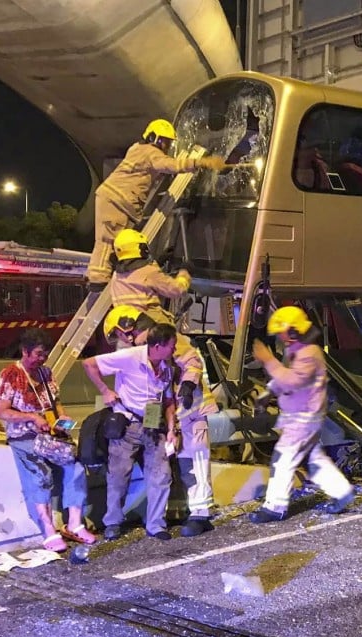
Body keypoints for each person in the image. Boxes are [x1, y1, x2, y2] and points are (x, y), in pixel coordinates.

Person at [103, 306, 218, 536]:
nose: (122, 341)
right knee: (176, 468)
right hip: (170, 413)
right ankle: (188, 512)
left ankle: (201, 513)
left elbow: (191, 361)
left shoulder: (163, 339)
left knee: (194, 462)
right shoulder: (143, 351)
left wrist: (188, 384)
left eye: (119, 336)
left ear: (126, 328)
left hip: (191, 410)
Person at [87, 119, 228, 286]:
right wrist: (200, 162)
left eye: (167, 143)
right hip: (116, 200)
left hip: (118, 201)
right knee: (108, 240)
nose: (165, 146)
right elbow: (170, 165)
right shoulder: (149, 151)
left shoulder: (139, 150)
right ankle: (98, 280)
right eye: (162, 141)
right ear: (151, 137)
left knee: (116, 241)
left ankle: (103, 276)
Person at [248, 306, 355, 523]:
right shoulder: (297, 350)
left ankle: (274, 507)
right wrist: (269, 392)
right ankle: (342, 492)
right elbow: (285, 380)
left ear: (294, 330)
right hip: (302, 417)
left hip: (303, 418)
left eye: (282, 332)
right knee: (313, 459)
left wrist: (268, 360)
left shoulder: (308, 354)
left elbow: (294, 380)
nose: (279, 336)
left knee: (283, 458)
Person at [0, 328, 96, 552]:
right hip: (24, 437)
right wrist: (31, 417)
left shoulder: (46, 373)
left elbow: (55, 403)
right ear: (25, 351)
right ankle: (48, 529)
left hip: (49, 435)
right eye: (39, 353)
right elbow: (2, 411)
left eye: (45, 354)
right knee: (41, 474)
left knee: (76, 466)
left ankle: (75, 524)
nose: (42, 358)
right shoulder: (10, 374)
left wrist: (63, 417)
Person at [82, 323, 180, 540]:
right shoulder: (130, 357)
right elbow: (89, 364)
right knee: (119, 477)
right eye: (171, 346)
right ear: (157, 346)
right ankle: (113, 522)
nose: (174, 350)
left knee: (161, 476)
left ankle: (156, 525)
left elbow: (169, 401)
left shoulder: (167, 367)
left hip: (155, 427)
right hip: (128, 425)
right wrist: (105, 390)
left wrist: (172, 429)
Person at [110, 228, 192, 326]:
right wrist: (184, 272)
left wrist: (158, 262)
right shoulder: (149, 272)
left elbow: (139, 278)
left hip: (128, 327)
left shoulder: (116, 275)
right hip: (151, 327)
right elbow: (177, 289)